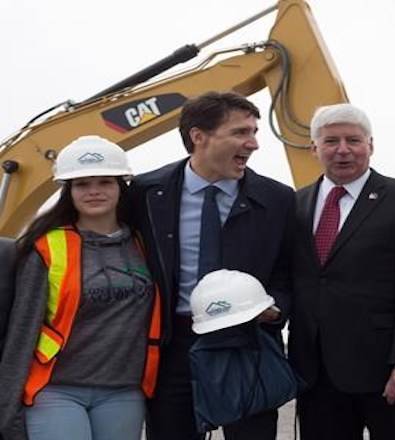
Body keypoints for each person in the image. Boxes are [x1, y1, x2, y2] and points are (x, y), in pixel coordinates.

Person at [128, 91, 295, 440]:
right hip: (173, 343)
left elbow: (289, 271)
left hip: (247, 343)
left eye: (254, 132)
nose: (253, 144)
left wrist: (277, 309)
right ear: (198, 136)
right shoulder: (144, 192)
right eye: (240, 133)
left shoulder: (277, 199)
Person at [289, 103, 395, 440]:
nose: (343, 150)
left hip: (389, 371)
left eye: (353, 140)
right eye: (331, 141)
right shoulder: (295, 205)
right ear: (314, 149)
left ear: (370, 145)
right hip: (317, 375)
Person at [0, 136, 161, 440]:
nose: (94, 191)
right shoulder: (47, 246)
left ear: (120, 188)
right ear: (69, 192)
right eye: (82, 184)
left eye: (105, 182)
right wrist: (7, 399)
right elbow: (23, 327)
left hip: (124, 389)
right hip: (57, 388)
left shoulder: (144, 244)